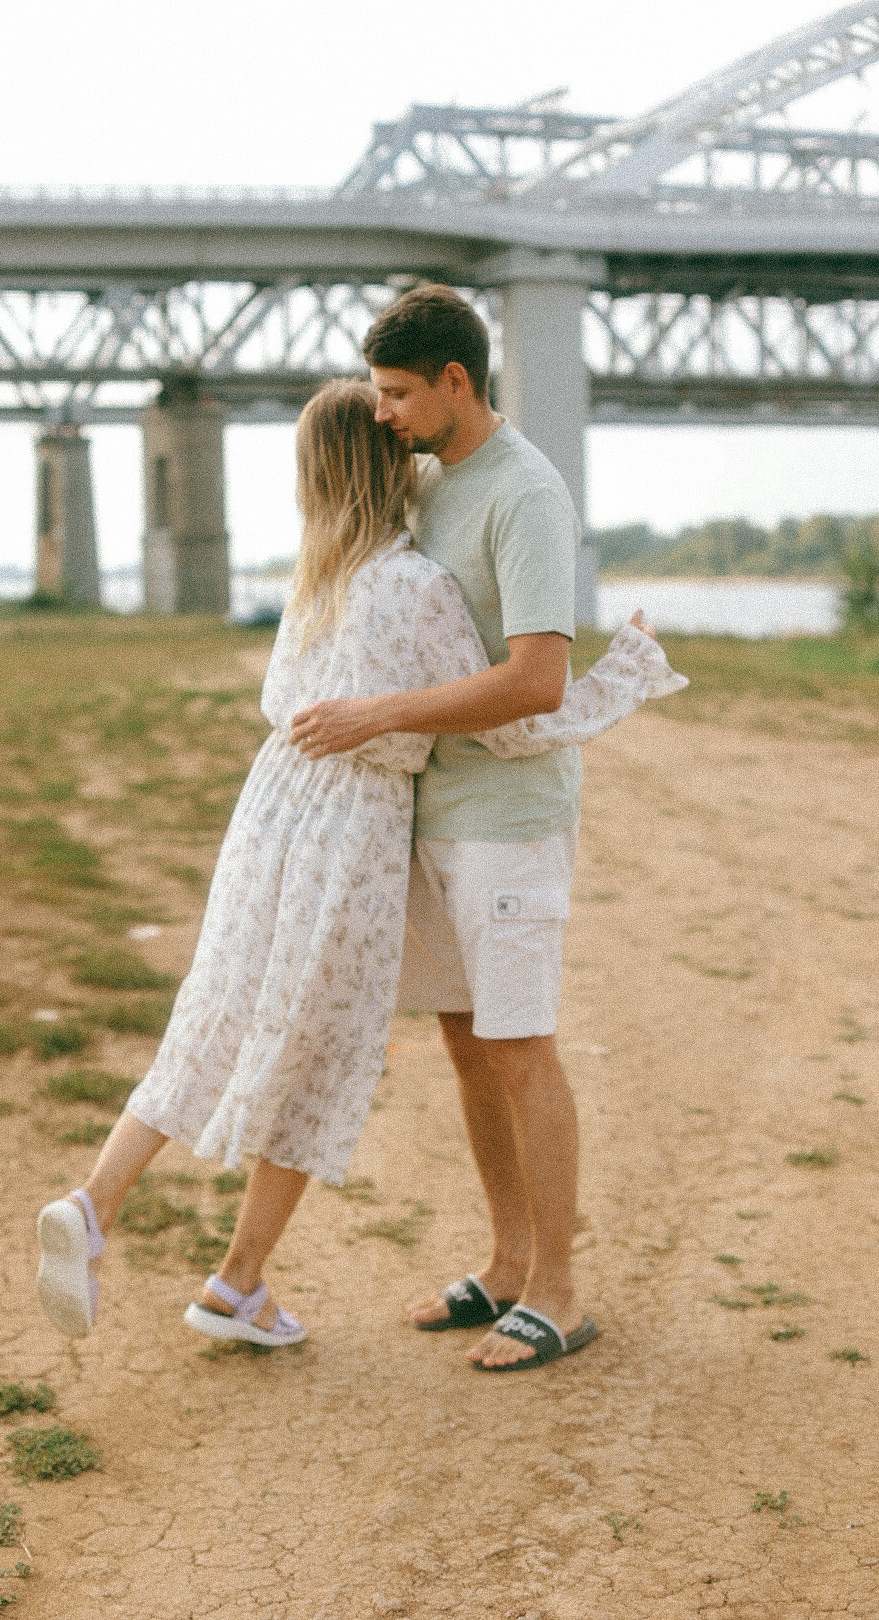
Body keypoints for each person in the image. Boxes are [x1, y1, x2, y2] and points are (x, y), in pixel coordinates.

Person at [36, 377, 685, 1356]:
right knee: (321, 1051)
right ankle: (224, 1271)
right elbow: (515, 720)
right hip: (354, 835)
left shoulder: (316, 579)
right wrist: (626, 672)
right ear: (390, 463)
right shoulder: (414, 584)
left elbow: (283, 705)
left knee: (215, 1013)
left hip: (269, 819)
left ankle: (117, 1209)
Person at [290, 284, 637, 1370]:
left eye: (397, 393)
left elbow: (538, 678)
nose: (382, 413)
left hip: (509, 819)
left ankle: (562, 1293)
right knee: (466, 1045)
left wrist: (374, 715)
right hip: (431, 813)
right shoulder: (433, 482)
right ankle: (506, 1266)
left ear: (456, 381)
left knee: (521, 1047)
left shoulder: (524, 494)